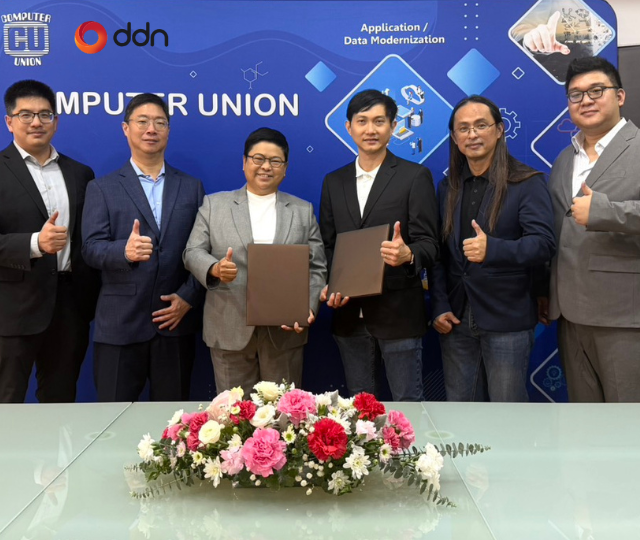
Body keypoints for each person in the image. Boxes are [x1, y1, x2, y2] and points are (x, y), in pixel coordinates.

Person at [545, 56, 640, 403]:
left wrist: (605, 211)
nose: (586, 100)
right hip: (571, 317)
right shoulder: (565, 159)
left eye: (597, 90)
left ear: (620, 96)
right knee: (588, 425)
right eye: (576, 94)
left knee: (634, 425)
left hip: (629, 318)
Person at [0, 79, 99, 403]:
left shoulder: (81, 173)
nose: (36, 122)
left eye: (44, 114)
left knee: (60, 402)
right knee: (6, 404)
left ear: (56, 121)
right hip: (12, 309)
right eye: (26, 115)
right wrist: (36, 243)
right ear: (9, 121)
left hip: (69, 308)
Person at [429, 95, 556, 402]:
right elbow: (439, 254)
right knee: (462, 414)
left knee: (507, 413)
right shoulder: (448, 187)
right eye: (463, 128)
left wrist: (493, 249)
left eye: (481, 125)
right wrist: (440, 304)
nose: (472, 134)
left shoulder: (527, 182)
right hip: (456, 319)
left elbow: (543, 244)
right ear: (454, 138)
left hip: (507, 318)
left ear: (499, 130)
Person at [81, 94, 205, 402]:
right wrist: (123, 251)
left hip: (174, 321)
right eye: (143, 121)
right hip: (120, 325)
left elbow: (203, 249)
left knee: (174, 422)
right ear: (126, 128)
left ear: (168, 131)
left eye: (160, 122)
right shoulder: (102, 188)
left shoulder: (191, 187)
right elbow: (90, 248)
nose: (152, 129)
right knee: (113, 418)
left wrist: (189, 297)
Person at [319, 89, 440, 402]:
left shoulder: (415, 177)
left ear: (393, 126)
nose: (370, 129)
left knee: (407, 405)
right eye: (362, 121)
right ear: (349, 127)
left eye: (379, 121)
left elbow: (431, 244)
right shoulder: (334, 181)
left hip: (399, 314)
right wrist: (332, 283)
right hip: (348, 315)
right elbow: (327, 245)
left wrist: (408, 254)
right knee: (359, 411)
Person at [183, 128, 326, 391]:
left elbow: (316, 267)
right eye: (258, 158)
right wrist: (214, 268)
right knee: (233, 413)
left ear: (285, 168)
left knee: (285, 412)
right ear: (244, 162)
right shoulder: (214, 205)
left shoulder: (302, 211)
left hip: (285, 330)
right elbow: (192, 252)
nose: (266, 167)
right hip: (229, 326)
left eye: (275, 161)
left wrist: (308, 306)